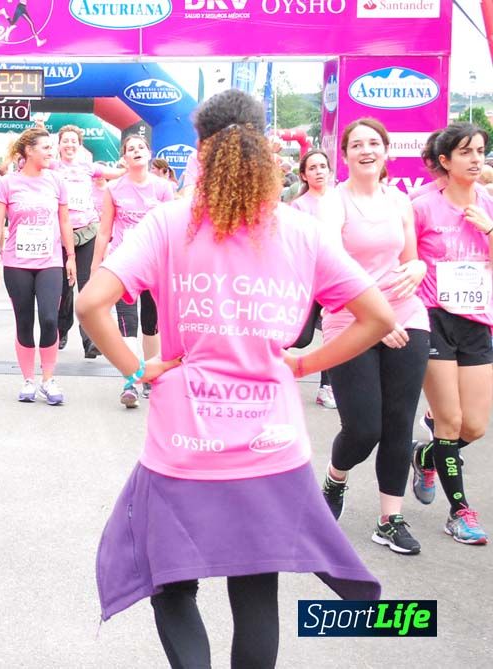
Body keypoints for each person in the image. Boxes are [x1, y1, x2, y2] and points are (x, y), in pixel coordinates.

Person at [78, 89, 389, 667]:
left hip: (184, 441)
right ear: (265, 147)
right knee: (255, 592)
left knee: (172, 585)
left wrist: (138, 370)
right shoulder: (300, 230)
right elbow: (379, 317)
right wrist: (304, 364)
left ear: (200, 151)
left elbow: (91, 304)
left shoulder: (169, 224)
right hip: (271, 442)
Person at [320, 118, 429, 556]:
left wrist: (419, 266)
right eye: (357, 145)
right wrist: (378, 321)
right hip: (351, 317)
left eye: (374, 143)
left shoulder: (399, 201)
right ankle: (335, 478)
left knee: (399, 421)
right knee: (364, 429)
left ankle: (390, 519)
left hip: (407, 315)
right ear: (345, 154)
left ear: (386, 150)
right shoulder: (334, 203)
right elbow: (331, 268)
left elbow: (410, 259)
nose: (366, 150)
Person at [411, 122, 493, 545]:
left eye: (480, 150)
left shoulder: (489, 203)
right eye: (466, 152)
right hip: (434, 318)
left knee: (474, 427)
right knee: (450, 421)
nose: (476, 159)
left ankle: (426, 455)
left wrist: (489, 229)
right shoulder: (422, 206)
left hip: (477, 321)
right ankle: (459, 512)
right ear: (445, 161)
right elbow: (403, 259)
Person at [0, 127, 76, 405]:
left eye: (52, 147)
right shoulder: (7, 183)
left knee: (50, 318)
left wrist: (70, 256)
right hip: (17, 262)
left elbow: (64, 221)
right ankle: (28, 379)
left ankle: (48, 380)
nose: (52, 152)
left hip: (50, 261)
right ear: (29, 151)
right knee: (24, 320)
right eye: (46, 148)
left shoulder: (57, 181)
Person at [92, 134, 174, 408]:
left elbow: (171, 228)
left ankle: (151, 376)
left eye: (141, 147)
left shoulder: (163, 188)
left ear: (149, 153)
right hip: (123, 264)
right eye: (131, 149)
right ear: (124, 158)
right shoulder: (114, 189)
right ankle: (132, 380)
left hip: (155, 264)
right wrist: (96, 266)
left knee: (151, 324)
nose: (136, 151)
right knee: (128, 323)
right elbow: (104, 231)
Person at [53, 125, 123, 357]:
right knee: (63, 288)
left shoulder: (88, 167)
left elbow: (114, 173)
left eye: (74, 141)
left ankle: (90, 340)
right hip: (60, 235)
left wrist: (126, 166)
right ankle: (61, 329)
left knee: (87, 286)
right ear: (59, 145)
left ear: (80, 145)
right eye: (65, 141)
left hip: (87, 231)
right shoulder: (52, 167)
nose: (70, 145)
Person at [290, 149, 341, 410]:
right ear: (303, 175)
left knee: (333, 334)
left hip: (337, 279)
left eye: (322, 166)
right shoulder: (299, 206)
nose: (319, 171)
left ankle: (326, 387)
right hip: (309, 280)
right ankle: (266, 363)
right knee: (302, 337)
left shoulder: (340, 200)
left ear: (330, 171)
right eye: (312, 168)